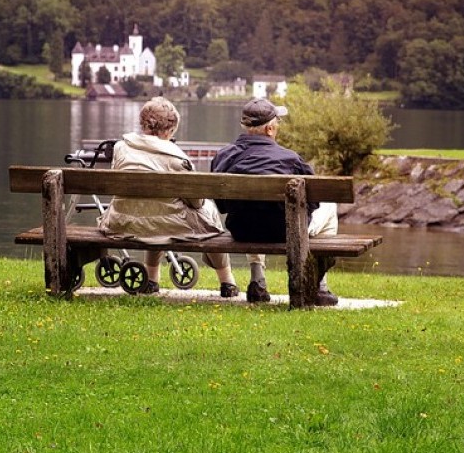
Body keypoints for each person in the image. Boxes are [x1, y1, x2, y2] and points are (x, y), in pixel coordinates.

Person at [98, 96, 240, 298]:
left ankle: (151, 280)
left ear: (143, 123)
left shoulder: (121, 147)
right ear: (169, 130)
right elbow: (196, 201)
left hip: (123, 222)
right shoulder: (176, 155)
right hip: (164, 224)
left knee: (154, 210)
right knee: (208, 211)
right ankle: (227, 282)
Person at [210, 98, 340, 305]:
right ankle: (319, 286)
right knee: (330, 207)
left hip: (242, 231)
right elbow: (313, 202)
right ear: (270, 129)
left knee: (253, 213)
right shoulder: (290, 159)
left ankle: (258, 280)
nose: (278, 125)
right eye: (278, 121)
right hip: (285, 232)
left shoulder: (224, 156)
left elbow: (222, 205)